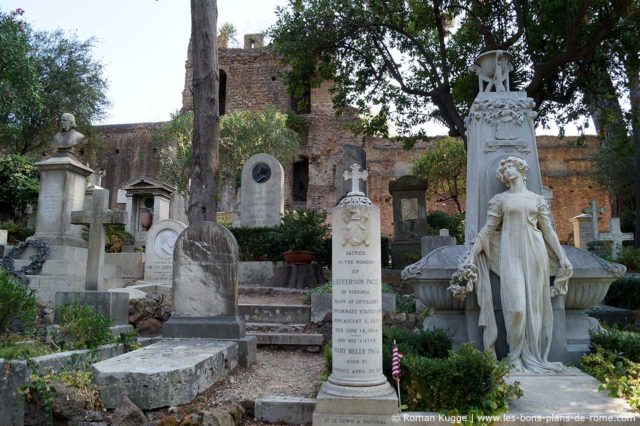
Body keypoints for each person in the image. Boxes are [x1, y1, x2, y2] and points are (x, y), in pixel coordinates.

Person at [464, 156, 573, 372]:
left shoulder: (536, 199)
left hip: (535, 252)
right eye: (504, 169)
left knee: (535, 306)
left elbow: (548, 230)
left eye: (510, 166)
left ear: (521, 169)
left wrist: (562, 257)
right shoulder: (500, 200)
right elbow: (487, 230)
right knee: (517, 308)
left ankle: (533, 356)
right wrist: (471, 255)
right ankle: (514, 356)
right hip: (510, 254)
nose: (507, 171)